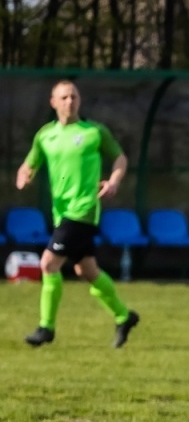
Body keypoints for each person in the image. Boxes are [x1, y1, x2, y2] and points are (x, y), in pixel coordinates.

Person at [15, 79, 139, 347]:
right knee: (87, 270)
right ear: (53, 102)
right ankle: (123, 315)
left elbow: (120, 158)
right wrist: (24, 175)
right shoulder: (45, 135)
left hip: (84, 209)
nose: (70, 102)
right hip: (61, 212)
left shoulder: (94, 131)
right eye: (64, 97)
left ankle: (46, 328)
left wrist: (114, 181)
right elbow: (29, 164)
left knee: (48, 263)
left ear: (79, 100)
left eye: (74, 96)